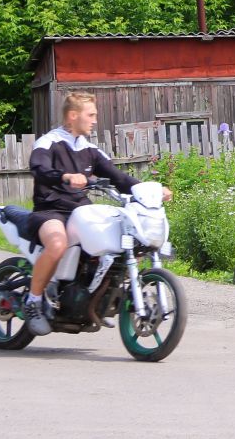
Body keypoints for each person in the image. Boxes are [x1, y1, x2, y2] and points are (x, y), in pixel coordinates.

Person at [24, 92, 172, 335]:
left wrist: (151, 190)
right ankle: (33, 300)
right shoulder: (48, 142)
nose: (95, 120)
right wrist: (65, 176)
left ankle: (100, 297)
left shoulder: (90, 150)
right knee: (58, 243)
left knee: (110, 241)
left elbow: (119, 178)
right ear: (73, 116)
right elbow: (39, 169)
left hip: (80, 210)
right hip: (50, 210)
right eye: (90, 115)